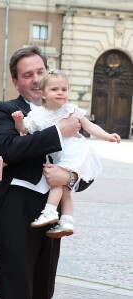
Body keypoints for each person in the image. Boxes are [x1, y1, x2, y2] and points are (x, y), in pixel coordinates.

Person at [0, 45, 94, 299]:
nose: (36, 79)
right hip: (15, 208)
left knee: (42, 289)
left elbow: (83, 161)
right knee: (16, 287)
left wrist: (68, 178)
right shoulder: (3, 110)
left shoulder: (70, 113)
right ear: (15, 81)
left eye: (40, 71)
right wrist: (59, 131)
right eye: (27, 75)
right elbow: (9, 148)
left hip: (51, 211)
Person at [12, 69, 121, 238]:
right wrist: (18, 121)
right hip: (58, 154)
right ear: (43, 94)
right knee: (65, 189)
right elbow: (25, 130)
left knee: (57, 182)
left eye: (64, 89)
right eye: (55, 89)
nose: (60, 93)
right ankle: (67, 221)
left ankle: (50, 212)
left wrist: (107, 136)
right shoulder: (37, 115)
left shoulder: (71, 110)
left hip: (75, 150)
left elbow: (90, 127)